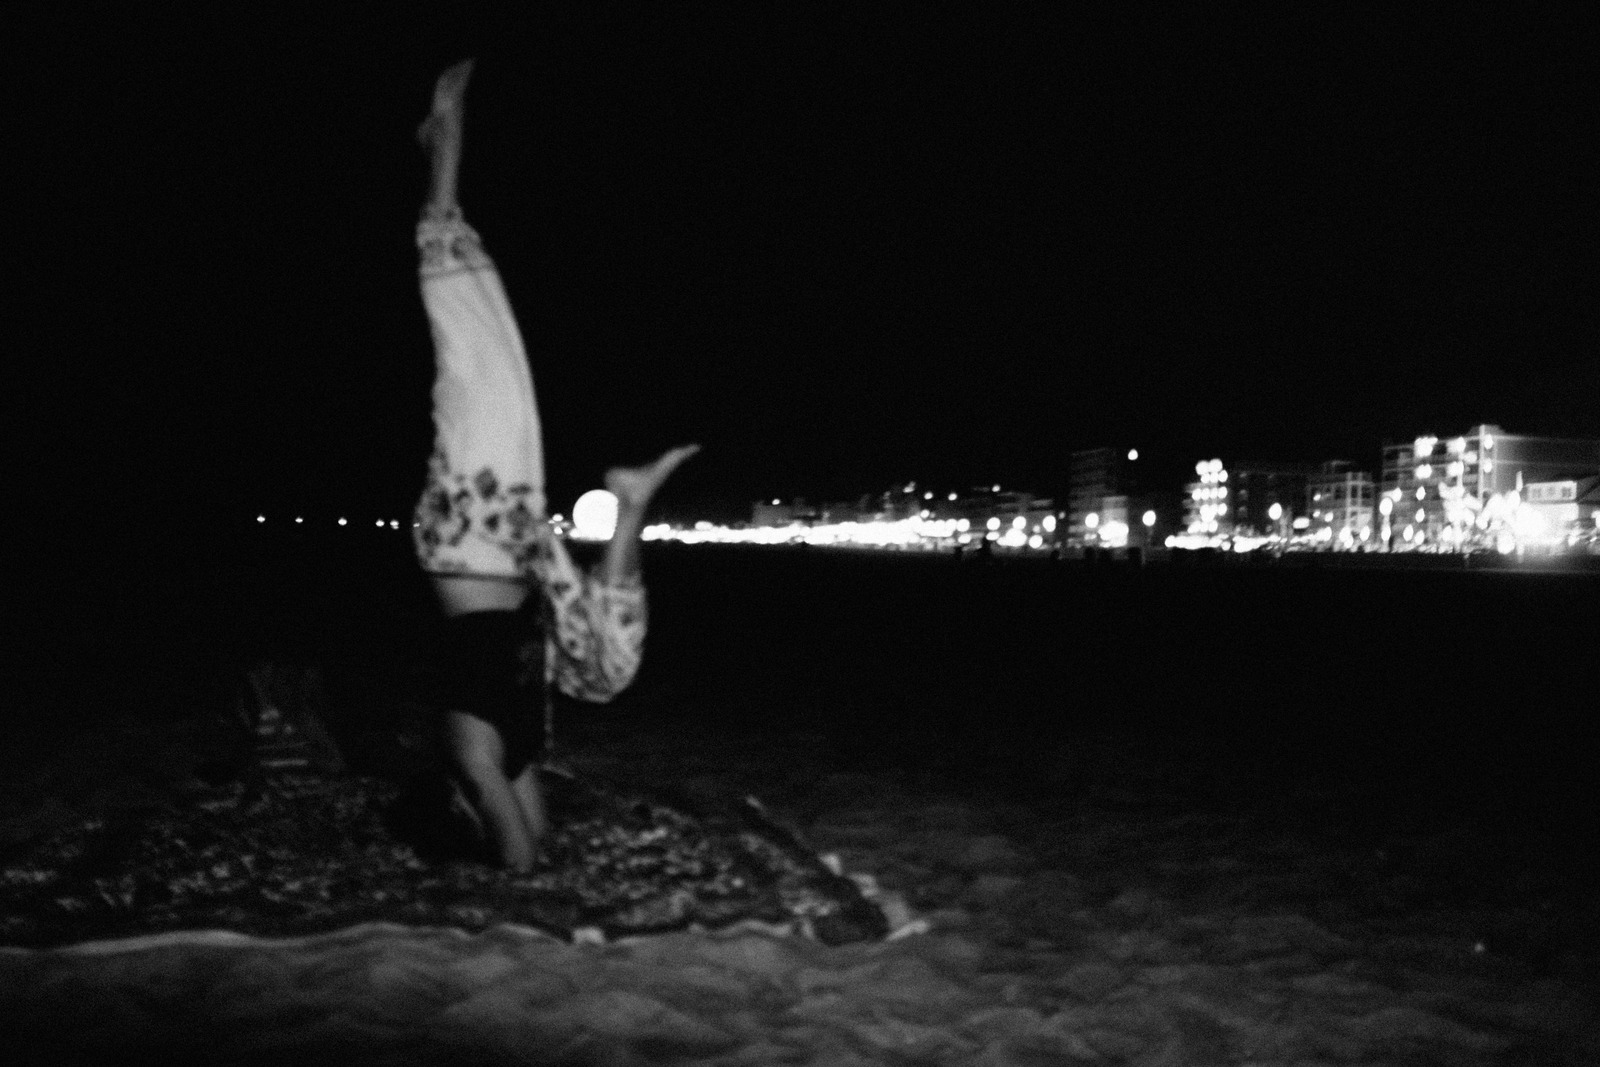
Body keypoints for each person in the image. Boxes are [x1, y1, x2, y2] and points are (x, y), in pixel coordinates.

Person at [412, 59, 698, 872]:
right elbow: (518, 849)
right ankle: (442, 165)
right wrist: (498, 845)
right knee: (475, 368)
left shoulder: (507, 756)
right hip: (480, 542)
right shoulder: (478, 756)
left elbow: (527, 835)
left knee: (490, 374)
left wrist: (505, 820)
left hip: (518, 627)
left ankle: (632, 513)